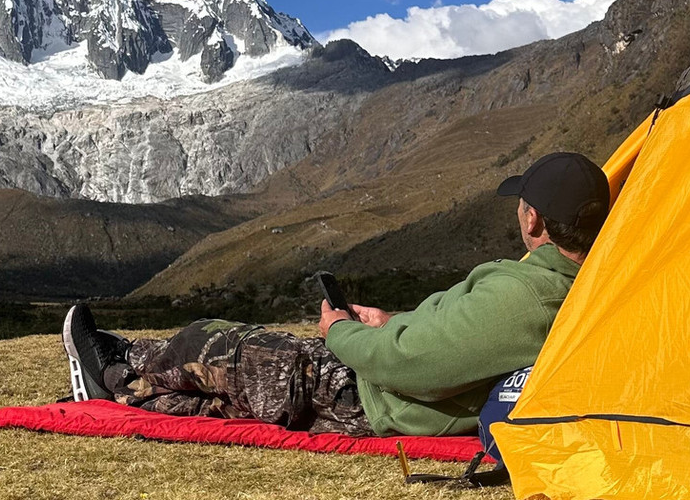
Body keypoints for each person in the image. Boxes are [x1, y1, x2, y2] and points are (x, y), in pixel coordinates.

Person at [62, 151, 610, 437]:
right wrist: (391, 318)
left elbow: (413, 363)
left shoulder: (528, 299)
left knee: (209, 344)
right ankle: (120, 379)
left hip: (366, 392)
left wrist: (340, 331)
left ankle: (113, 365)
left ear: (533, 217)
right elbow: (457, 337)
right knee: (221, 397)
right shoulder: (573, 283)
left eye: (521, 205)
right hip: (378, 385)